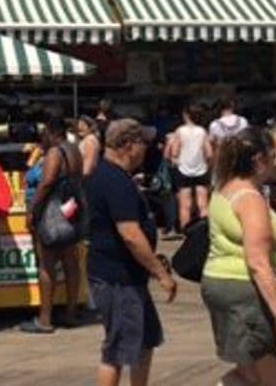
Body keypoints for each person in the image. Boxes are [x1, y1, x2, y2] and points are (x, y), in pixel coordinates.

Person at [200, 127, 276, 386]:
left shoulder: (223, 187)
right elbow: (257, 262)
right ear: (258, 160)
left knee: (248, 374)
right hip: (246, 290)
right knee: (271, 374)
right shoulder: (249, 198)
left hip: (220, 282)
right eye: (271, 157)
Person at [86, 119, 177, 386]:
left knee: (145, 339)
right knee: (117, 349)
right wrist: (160, 272)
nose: (147, 149)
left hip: (127, 277)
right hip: (117, 278)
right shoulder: (114, 180)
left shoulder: (111, 176)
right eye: (143, 143)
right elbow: (130, 234)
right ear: (128, 146)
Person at [22, 118, 84, 335]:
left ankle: (45, 318)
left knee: (47, 264)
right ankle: (71, 311)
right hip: (71, 209)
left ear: (50, 133)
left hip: (52, 211)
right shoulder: (74, 150)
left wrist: (33, 210)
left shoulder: (55, 152)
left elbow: (47, 182)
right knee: (70, 261)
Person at [166, 103, 211, 232]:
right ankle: (205, 230)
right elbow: (209, 152)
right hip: (201, 169)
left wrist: (175, 159)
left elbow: (174, 152)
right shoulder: (202, 131)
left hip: (183, 169)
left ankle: (186, 231)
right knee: (203, 203)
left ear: (186, 115)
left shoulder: (180, 131)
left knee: (185, 204)